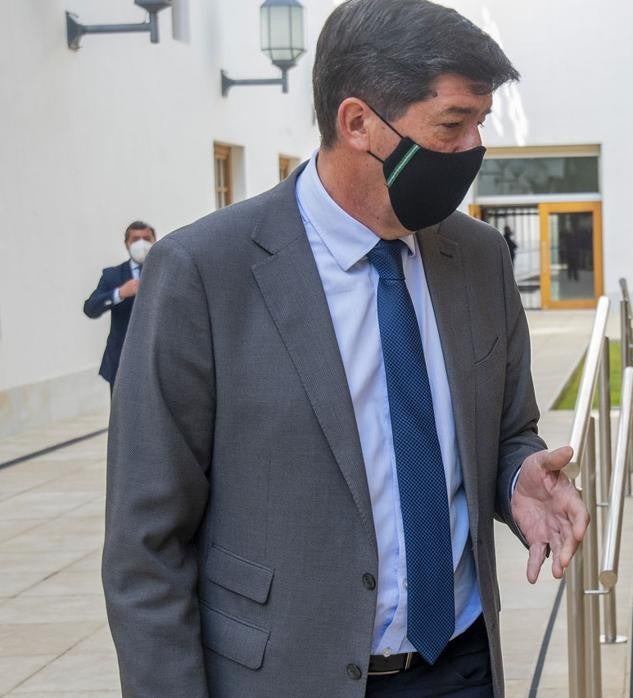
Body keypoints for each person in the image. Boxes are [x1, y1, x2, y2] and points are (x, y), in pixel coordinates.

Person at [102, 2, 588, 697]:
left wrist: (515, 481)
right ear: (357, 122)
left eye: (481, 122)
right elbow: (145, 546)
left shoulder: (479, 258)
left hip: (460, 666)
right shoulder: (203, 274)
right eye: (454, 124)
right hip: (285, 676)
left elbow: (508, 430)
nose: (476, 149)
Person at [82, 221, 155, 392]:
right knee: (122, 417)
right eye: (135, 239)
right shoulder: (112, 275)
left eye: (146, 238)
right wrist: (119, 293)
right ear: (127, 243)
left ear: (154, 241)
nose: (141, 243)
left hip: (156, 359)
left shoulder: (165, 271)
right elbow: (90, 308)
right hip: (121, 361)